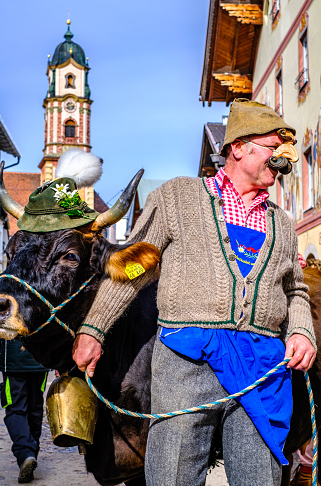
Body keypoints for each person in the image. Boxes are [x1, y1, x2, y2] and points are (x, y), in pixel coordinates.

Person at [72, 98, 316, 486]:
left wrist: (301, 330)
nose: (283, 159)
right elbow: (132, 270)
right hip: (187, 359)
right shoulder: (176, 198)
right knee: (173, 475)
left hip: (262, 366)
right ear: (239, 147)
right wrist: (93, 331)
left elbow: (295, 290)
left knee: (261, 478)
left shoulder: (282, 223)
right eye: (274, 149)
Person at [0, 338, 50, 483]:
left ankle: (26, 453)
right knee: (35, 409)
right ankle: (30, 456)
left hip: (13, 361)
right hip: (40, 359)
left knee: (15, 409)